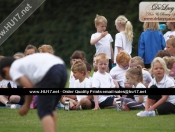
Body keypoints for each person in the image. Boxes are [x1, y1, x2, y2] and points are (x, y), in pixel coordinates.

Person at [0, 53, 67, 132]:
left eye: (6, 78)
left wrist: (26, 105)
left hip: (50, 72)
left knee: (44, 111)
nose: (10, 80)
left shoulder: (14, 68)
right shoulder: (22, 64)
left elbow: (29, 87)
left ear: (5, 70)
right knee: (50, 109)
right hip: (62, 69)